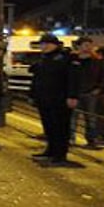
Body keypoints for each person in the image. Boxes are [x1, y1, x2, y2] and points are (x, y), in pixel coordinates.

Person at [30, 33, 78, 165]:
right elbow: (37, 79)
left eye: (46, 44)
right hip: (44, 99)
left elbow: (73, 79)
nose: (43, 46)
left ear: (55, 45)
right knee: (49, 127)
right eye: (42, 44)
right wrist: (33, 95)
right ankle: (50, 151)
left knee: (61, 128)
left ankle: (60, 155)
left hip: (59, 99)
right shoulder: (44, 58)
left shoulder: (65, 58)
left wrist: (72, 96)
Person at [69, 36, 104, 148]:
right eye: (85, 45)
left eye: (90, 45)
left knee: (91, 118)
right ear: (79, 46)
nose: (88, 47)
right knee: (72, 117)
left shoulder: (97, 61)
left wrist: (98, 88)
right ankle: (70, 138)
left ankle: (92, 140)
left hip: (90, 93)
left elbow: (102, 76)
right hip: (74, 93)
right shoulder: (72, 60)